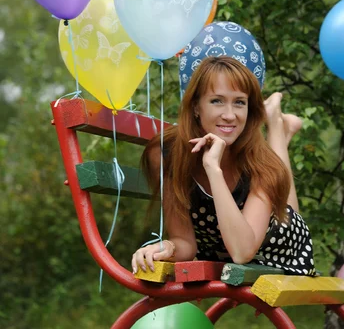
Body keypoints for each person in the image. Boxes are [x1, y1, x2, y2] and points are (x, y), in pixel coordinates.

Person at [132, 56, 316, 276]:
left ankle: (275, 125)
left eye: (239, 102)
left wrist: (212, 168)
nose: (229, 116)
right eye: (217, 100)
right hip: (220, 251)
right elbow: (185, 243)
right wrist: (165, 247)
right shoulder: (168, 154)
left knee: (284, 206)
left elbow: (241, 253)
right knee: (277, 182)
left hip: (278, 251)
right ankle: (278, 128)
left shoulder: (262, 164)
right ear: (195, 107)